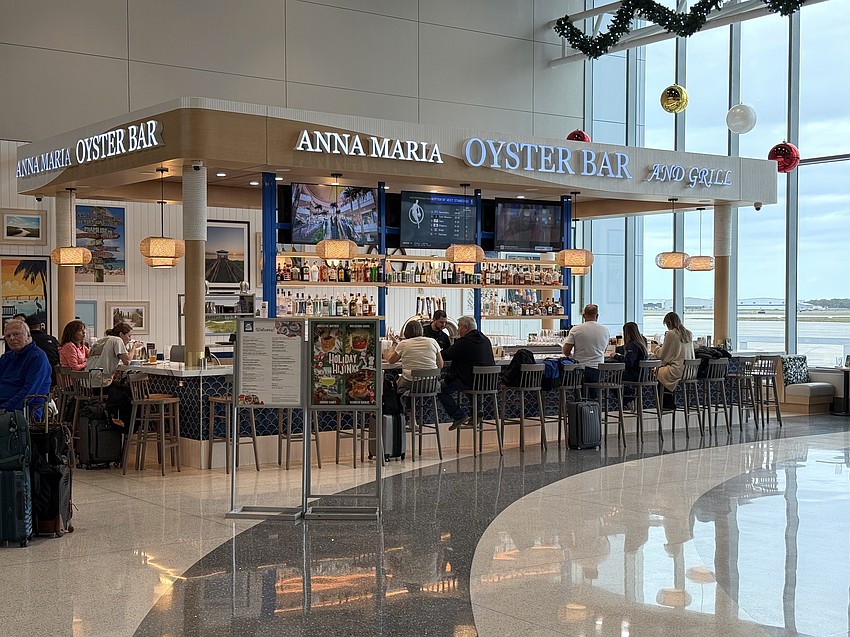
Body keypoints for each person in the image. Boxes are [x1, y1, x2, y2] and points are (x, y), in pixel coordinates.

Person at [439, 316, 494, 430]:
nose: (458, 330)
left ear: (465, 328)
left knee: (439, 388)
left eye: (459, 327)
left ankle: (458, 416)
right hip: (487, 383)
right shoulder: (485, 339)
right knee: (471, 382)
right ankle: (477, 413)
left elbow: (445, 355)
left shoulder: (464, 342)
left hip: (470, 382)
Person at [0, 319, 52, 411]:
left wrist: (3, 409)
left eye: (16, 334)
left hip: (23, 411)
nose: (11, 338)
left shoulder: (38, 357)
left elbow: (28, 393)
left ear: (28, 335)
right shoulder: (7, 357)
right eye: (8, 336)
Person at [384, 321, 443, 394]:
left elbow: (391, 360)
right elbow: (440, 365)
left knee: (396, 382)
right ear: (421, 330)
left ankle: (404, 404)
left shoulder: (403, 344)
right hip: (431, 385)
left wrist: (394, 344)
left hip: (411, 385)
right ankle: (428, 404)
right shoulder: (432, 342)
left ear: (406, 331)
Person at [562, 304, 609, 385]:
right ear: (597, 316)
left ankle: (579, 397)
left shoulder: (576, 329)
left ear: (583, 316)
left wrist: (571, 357)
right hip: (599, 371)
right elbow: (604, 350)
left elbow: (566, 351)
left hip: (580, 371)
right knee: (593, 390)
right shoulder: (605, 330)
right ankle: (594, 397)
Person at [656, 312, 695, 406]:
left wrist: (656, 349)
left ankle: (665, 401)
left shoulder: (671, 333)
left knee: (657, 371)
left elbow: (663, 356)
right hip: (690, 371)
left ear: (668, 323)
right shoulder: (688, 333)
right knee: (661, 371)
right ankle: (668, 400)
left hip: (677, 370)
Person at [26, 313, 60, 386]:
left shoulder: (25, 342)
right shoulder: (51, 339)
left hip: (32, 377)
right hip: (53, 377)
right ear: (41, 326)